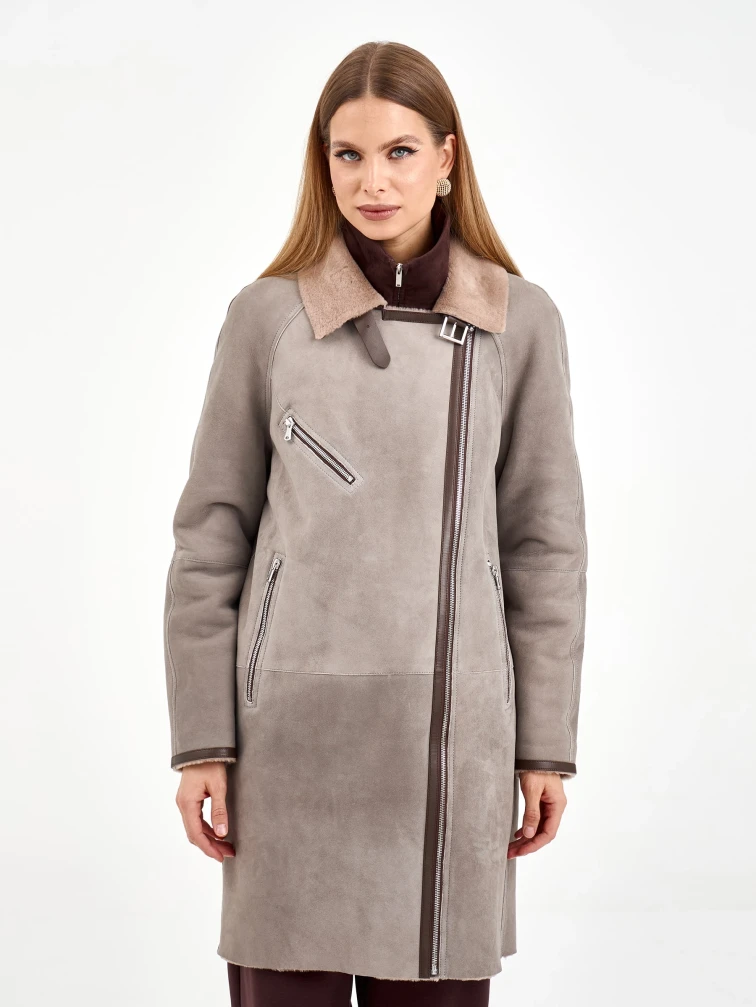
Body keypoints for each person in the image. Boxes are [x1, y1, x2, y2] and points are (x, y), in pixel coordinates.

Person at [163, 40, 588, 1007]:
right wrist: (203, 740)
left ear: (447, 158)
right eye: (348, 155)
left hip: (451, 745)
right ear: (323, 166)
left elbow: (545, 547)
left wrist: (542, 743)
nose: (373, 181)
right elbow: (210, 540)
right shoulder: (266, 318)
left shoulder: (520, 323)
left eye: (399, 152)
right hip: (290, 743)